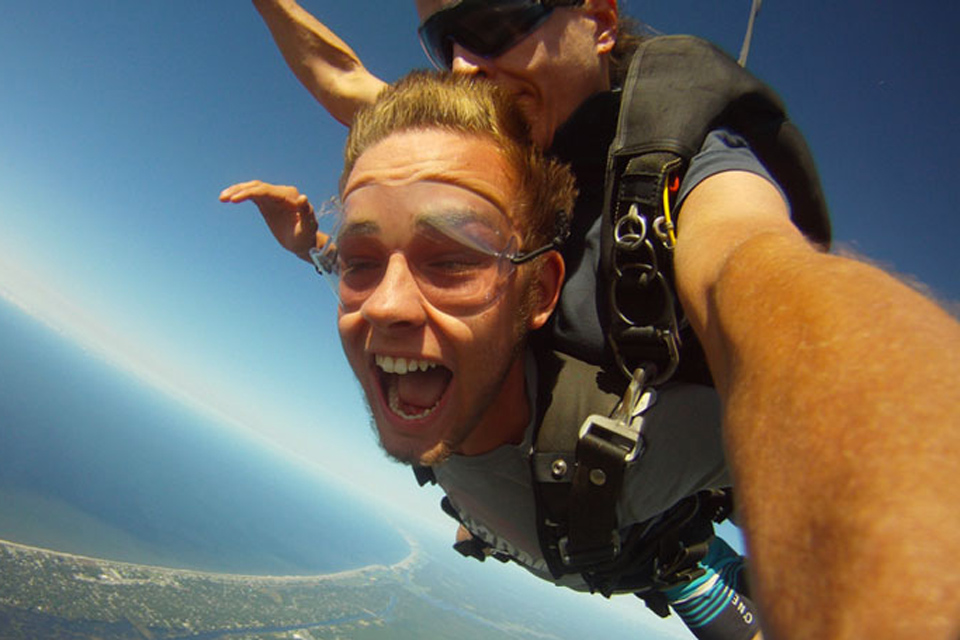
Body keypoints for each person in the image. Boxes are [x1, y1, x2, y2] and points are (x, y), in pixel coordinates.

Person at [224, 2, 960, 638]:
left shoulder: (680, 173)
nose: (463, 66)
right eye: (441, 41)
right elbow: (346, 83)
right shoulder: (471, 159)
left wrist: (906, 563)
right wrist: (321, 251)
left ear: (599, 19)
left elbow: (758, 273)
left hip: (665, 555)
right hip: (556, 520)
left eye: (490, 19)